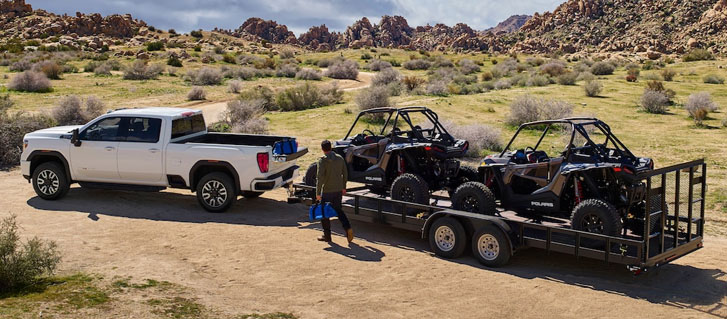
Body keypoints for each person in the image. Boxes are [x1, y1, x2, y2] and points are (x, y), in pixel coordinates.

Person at [315, 140, 354, 243]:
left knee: (324, 214)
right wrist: (343, 187)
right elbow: (345, 173)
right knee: (339, 210)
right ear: (331, 147)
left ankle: (327, 236)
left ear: (322, 149)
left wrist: (318, 193)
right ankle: (347, 228)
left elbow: (320, 178)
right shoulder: (340, 158)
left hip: (327, 191)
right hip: (338, 190)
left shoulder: (322, 161)